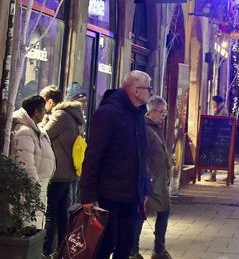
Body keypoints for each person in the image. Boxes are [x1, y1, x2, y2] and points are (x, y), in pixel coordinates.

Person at [80, 70, 153, 259]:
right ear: (135, 90)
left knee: (125, 245)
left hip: (131, 195)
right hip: (108, 195)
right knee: (104, 245)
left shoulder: (138, 115)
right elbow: (93, 155)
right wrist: (88, 195)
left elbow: (141, 155)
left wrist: (144, 188)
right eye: (148, 88)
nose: (151, 93)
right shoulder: (109, 113)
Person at [40, 86, 84, 256]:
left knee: (50, 213)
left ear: (50, 102)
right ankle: (62, 251)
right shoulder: (71, 115)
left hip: (58, 173)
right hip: (68, 173)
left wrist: (43, 120)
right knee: (61, 214)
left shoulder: (59, 116)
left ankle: (46, 251)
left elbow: (44, 135)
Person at [133, 96, 173, 259]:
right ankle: (134, 251)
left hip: (160, 181)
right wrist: (147, 177)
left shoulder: (156, 128)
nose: (164, 116)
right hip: (150, 181)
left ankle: (158, 249)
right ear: (152, 111)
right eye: (162, 112)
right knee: (140, 215)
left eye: (165, 112)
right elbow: (141, 155)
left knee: (163, 211)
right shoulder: (144, 128)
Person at [10, 95, 57, 230]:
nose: (45, 114)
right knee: (30, 222)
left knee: (36, 220)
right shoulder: (24, 132)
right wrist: (34, 186)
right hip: (32, 186)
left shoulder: (35, 129)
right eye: (43, 111)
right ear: (36, 112)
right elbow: (25, 163)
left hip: (39, 184)